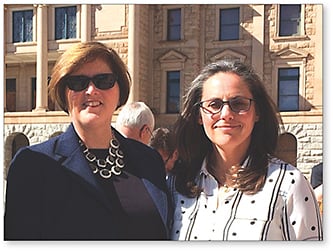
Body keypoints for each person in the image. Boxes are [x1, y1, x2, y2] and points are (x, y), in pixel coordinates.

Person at [4, 41, 170, 240]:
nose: (91, 90)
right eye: (77, 82)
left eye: (104, 80)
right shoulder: (33, 166)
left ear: (120, 92)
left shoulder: (148, 159)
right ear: (64, 95)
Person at [167, 60, 322, 240]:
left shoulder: (288, 184)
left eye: (239, 103)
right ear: (198, 115)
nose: (226, 114)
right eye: (214, 105)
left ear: (257, 113)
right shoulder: (177, 184)